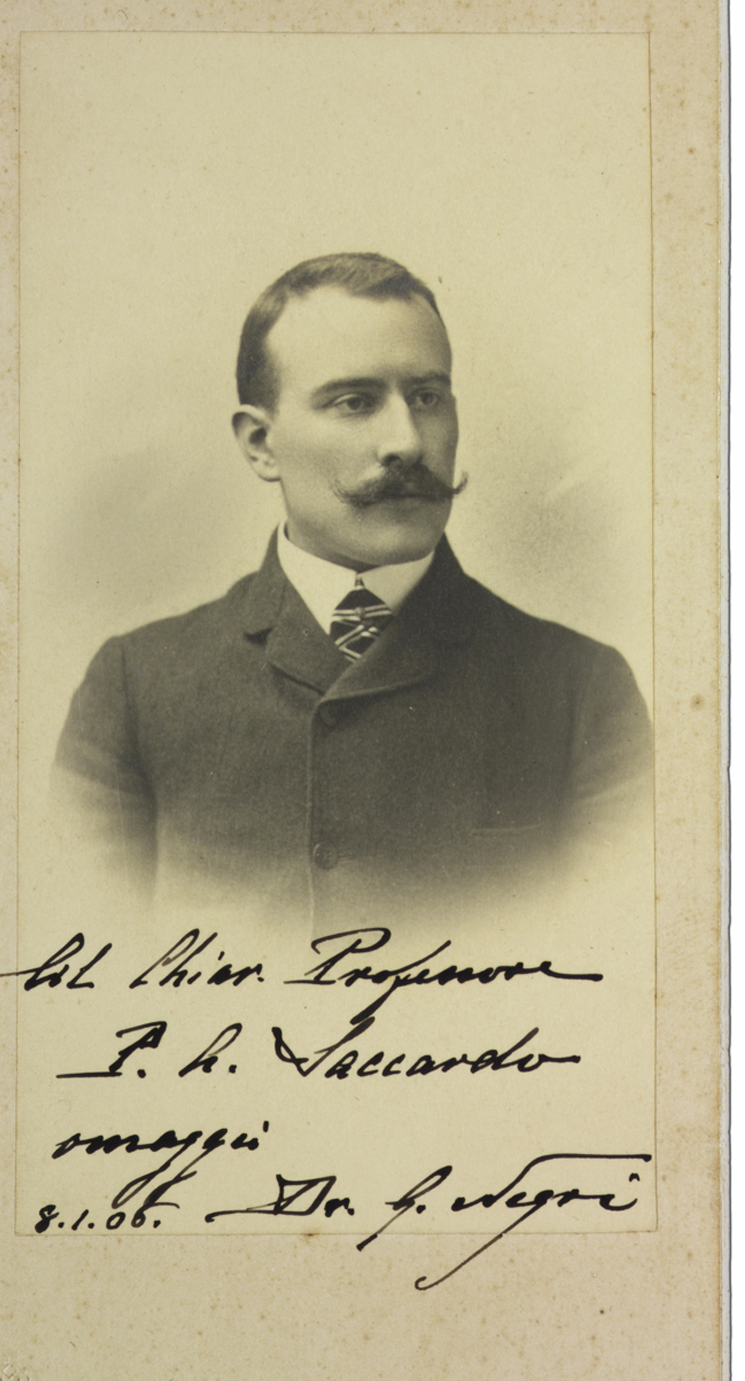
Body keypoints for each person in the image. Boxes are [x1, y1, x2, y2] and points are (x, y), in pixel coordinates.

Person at [55, 252, 651, 932]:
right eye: (355, 402)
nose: (406, 442)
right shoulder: (134, 686)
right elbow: (90, 954)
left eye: (426, 397)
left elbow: (611, 957)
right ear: (261, 444)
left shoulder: (583, 691)